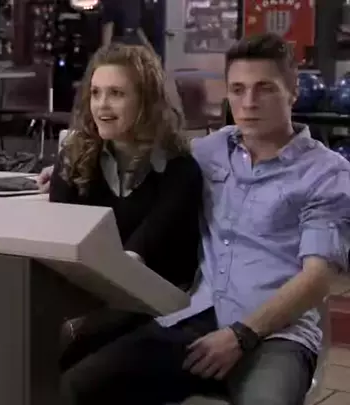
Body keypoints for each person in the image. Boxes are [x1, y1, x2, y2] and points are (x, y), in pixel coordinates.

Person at [59, 33, 350, 405]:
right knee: (78, 385)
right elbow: (145, 152)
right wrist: (65, 169)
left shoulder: (326, 173)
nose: (248, 102)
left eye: (264, 89)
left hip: (275, 335)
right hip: (195, 319)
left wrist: (242, 335)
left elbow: (317, 279)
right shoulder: (210, 150)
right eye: (238, 89)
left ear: (293, 91)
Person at [50, 44, 203, 369]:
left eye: (116, 93)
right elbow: (60, 243)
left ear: (146, 101)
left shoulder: (179, 170)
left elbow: (134, 260)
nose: (101, 105)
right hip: (93, 293)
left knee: (64, 349)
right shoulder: (73, 157)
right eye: (95, 93)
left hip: (156, 306)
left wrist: (74, 323)